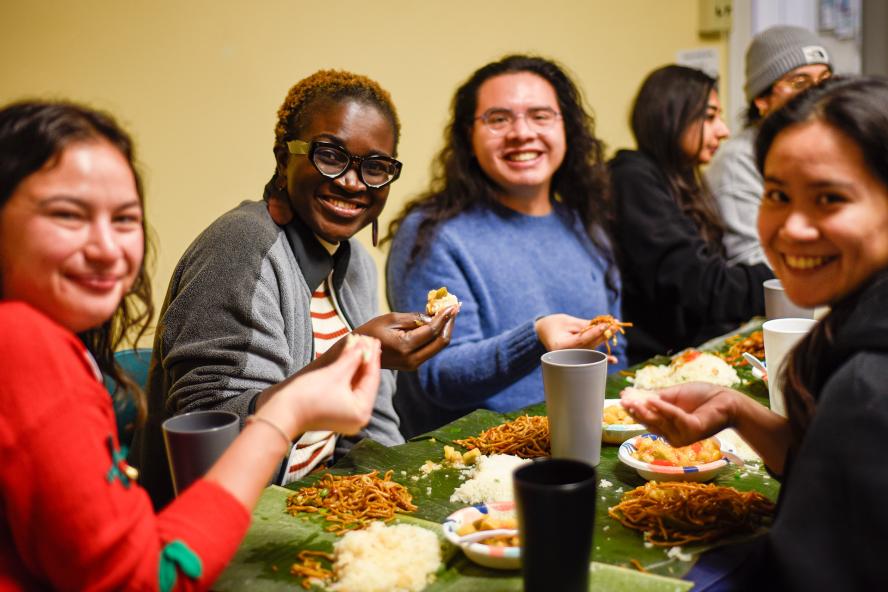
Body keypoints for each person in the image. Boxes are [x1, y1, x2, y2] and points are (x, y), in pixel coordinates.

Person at [0, 100, 382, 590]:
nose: (106, 249)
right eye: (67, 215)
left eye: (123, 220)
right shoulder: (23, 343)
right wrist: (286, 414)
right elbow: (147, 577)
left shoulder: (56, 342)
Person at [131, 70, 458, 509]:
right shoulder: (241, 246)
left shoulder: (357, 262)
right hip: (224, 527)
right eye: (330, 155)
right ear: (284, 157)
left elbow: (372, 428)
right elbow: (213, 437)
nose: (352, 182)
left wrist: (406, 501)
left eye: (376, 167)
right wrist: (352, 351)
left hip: (317, 507)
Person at [622, 76, 888, 590]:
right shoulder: (853, 319)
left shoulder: (869, 386)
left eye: (829, 198)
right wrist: (736, 409)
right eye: (777, 195)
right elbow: (825, 467)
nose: (792, 228)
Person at [385, 55, 625, 437]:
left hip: (593, 438)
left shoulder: (582, 222)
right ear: (469, 134)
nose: (521, 132)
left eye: (540, 115)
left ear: (567, 127)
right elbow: (438, 376)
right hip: (482, 462)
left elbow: (615, 353)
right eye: (498, 119)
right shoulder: (433, 233)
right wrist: (536, 337)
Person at [610, 65, 773, 364]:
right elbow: (703, 287)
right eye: (709, 117)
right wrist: (783, 278)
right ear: (670, 116)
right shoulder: (632, 178)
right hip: (653, 361)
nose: (723, 131)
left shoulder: (681, 180)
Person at [706, 25, 832, 265]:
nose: (818, 94)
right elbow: (754, 261)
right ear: (762, 100)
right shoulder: (738, 160)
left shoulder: (829, 149)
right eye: (800, 83)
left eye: (825, 81)